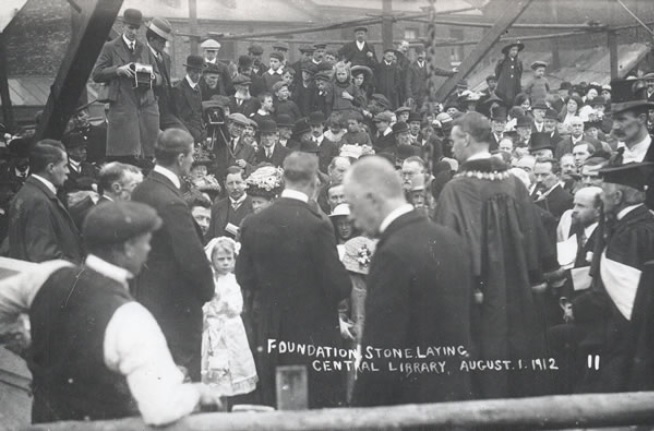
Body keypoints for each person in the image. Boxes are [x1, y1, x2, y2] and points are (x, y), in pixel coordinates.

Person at [25, 201, 221, 424]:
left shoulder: (49, 276)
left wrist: (22, 342)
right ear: (128, 248)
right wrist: (197, 392)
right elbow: (161, 409)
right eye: (147, 243)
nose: (149, 250)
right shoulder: (130, 317)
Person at [433, 112, 556, 399]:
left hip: (479, 303)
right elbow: (537, 242)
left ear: (466, 138)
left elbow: (445, 250)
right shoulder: (516, 184)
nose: (451, 147)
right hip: (520, 298)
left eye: (453, 140)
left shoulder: (457, 190)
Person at [345, 156, 473, 406]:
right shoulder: (450, 239)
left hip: (409, 403)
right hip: (454, 396)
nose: (352, 219)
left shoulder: (392, 252)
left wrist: (360, 413)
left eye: (352, 206)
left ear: (372, 199)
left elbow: (381, 351)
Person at [236, 152, 350, 408]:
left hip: (272, 332)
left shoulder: (254, 223)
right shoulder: (317, 225)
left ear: (284, 178)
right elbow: (338, 286)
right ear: (314, 182)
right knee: (315, 406)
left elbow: (244, 276)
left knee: (277, 405)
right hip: (313, 337)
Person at [131, 129, 214, 382]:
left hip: (149, 297)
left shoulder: (143, 189)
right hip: (177, 306)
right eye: (191, 156)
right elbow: (191, 258)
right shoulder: (172, 202)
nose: (193, 161)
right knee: (183, 375)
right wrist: (208, 291)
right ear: (180, 158)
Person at [568, 162, 654, 392]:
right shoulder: (644, 222)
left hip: (620, 336)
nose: (601, 199)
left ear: (617, 197)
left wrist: (574, 309)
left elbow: (613, 294)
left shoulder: (629, 233)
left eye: (604, 194)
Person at [92, 9, 161, 165]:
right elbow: (96, 74)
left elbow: (160, 78)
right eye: (130, 27)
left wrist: (152, 76)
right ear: (123, 25)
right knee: (125, 158)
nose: (133, 31)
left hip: (145, 109)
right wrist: (118, 70)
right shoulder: (110, 47)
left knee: (147, 158)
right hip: (123, 109)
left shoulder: (145, 49)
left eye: (137, 28)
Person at [7, 139, 83, 263]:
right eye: (64, 166)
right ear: (51, 168)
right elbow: (45, 256)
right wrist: (78, 274)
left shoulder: (29, 193)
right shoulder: (38, 201)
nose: (68, 171)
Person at [202, 236, 258, 398]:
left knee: (234, 364)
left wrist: (223, 304)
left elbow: (236, 307)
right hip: (214, 329)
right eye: (221, 259)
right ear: (212, 260)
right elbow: (206, 306)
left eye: (229, 258)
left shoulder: (235, 281)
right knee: (214, 367)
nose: (226, 263)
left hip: (232, 329)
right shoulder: (210, 281)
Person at [146, 17, 186, 132]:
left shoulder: (166, 57)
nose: (165, 44)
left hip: (167, 110)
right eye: (162, 41)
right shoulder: (141, 54)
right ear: (152, 38)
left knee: (184, 137)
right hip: (148, 111)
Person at [207, 166, 253, 239]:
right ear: (225, 185)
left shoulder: (254, 206)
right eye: (230, 183)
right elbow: (209, 237)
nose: (234, 187)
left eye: (238, 183)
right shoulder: (216, 208)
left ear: (245, 183)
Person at [174, 55, 206, 144]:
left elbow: (199, 112)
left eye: (200, 72)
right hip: (184, 131)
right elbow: (177, 116)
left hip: (198, 129)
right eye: (195, 72)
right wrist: (192, 131)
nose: (198, 76)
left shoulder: (198, 88)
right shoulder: (178, 89)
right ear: (188, 71)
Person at [495, 41, 524, 108]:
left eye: (516, 50)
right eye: (513, 50)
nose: (515, 52)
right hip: (504, 86)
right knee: (504, 101)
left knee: (515, 101)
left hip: (515, 85)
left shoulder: (518, 62)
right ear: (508, 50)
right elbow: (497, 73)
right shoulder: (502, 62)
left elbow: (520, 74)